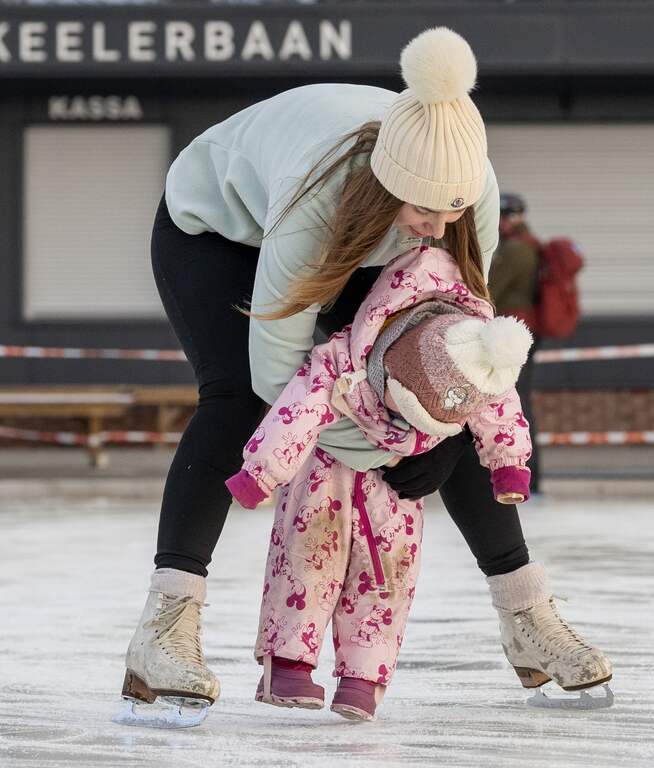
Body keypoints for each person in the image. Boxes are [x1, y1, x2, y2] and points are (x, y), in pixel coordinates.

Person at [121, 27, 612, 725]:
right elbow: (278, 378)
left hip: (362, 243)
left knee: (450, 394)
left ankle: (528, 615)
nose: (440, 230)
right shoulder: (317, 201)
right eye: (424, 210)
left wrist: (437, 436)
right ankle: (164, 627)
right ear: (390, 187)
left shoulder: (468, 196)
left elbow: (466, 349)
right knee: (234, 402)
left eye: (453, 212)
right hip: (219, 233)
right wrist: (384, 445)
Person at [227, 244, 534, 720]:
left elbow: (499, 405)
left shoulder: (471, 353)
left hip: (396, 481)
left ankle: (363, 677)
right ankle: (287, 661)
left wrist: (508, 463)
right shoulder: (342, 360)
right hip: (322, 471)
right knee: (308, 556)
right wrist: (261, 472)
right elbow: (297, 409)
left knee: (388, 573)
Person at [488, 193, 543, 493]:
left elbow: (491, 288)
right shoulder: (525, 245)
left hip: (515, 334)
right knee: (516, 401)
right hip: (517, 331)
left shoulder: (516, 250)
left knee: (516, 403)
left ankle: (528, 475)